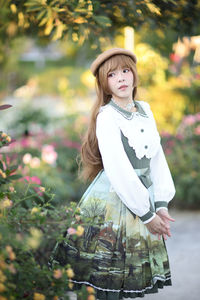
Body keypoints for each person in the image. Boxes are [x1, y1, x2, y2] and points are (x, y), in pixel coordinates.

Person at [49, 48, 176, 300]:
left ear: (134, 75)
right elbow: (119, 170)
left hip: (142, 199)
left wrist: (161, 203)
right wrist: (147, 214)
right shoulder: (106, 116)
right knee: (108, 278)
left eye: (126, 71)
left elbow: (157, 158)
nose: (121, 78)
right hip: (115, 199)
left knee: (129, 280)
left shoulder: (146, 110)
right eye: (112, 75)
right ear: (104, 85)